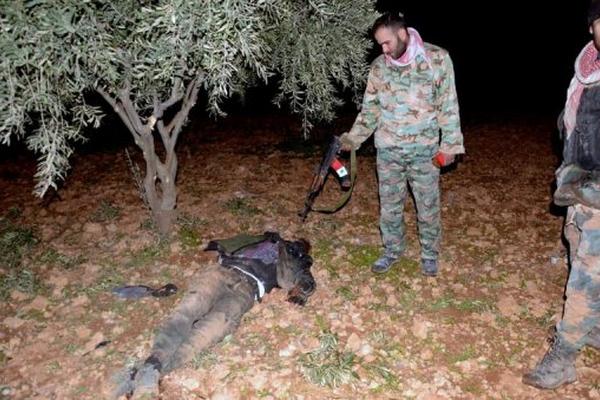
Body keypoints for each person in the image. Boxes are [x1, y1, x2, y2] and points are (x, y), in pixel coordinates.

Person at [113, 232, 316, 399]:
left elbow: (306, 283)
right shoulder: (267, 239)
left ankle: (150, 372)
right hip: (222, 272)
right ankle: (151, 365)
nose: (296, 245)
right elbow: (225, 243)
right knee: (189, 308)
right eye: (296, 242)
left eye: (300, 246)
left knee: (210, 330)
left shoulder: (297, 262)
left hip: (247, 289)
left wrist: (300, 290)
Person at [339, 11, 464, 276]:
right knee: (390, 207)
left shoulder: (437, 59)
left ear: (402, 34)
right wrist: (352, 139)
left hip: (425, 151)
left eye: (387, 43)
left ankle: (429, 254)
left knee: (428, 207)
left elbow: (448, 105)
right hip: (388, 151)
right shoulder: (379, 68)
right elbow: (370, 111)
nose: (384, 49)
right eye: (379, 45)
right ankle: (392, 251)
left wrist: (450, 145)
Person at [523, 1, 600, 390]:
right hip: (579, 192)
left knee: (587, 276)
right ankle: (596, 327)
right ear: (592, 27)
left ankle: (563, 358)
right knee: (577, 254)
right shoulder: (585, 73)